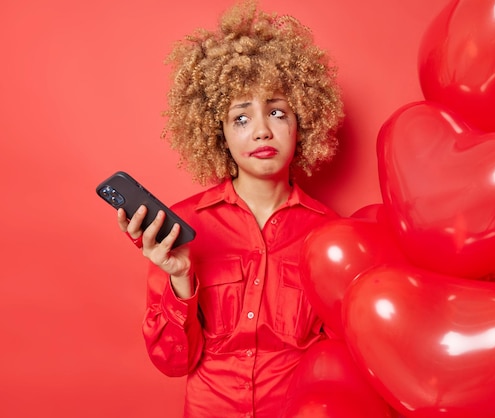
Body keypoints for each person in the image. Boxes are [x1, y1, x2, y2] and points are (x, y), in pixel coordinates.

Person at [116, 1, 344, 417]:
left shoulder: (333, 236)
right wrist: (180, 278)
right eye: (240, 118)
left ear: (302, 122)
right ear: (217, 132)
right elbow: (173, 363)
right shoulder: (180, 226)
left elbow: (342, 361)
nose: (261, 130)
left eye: (277, 112)